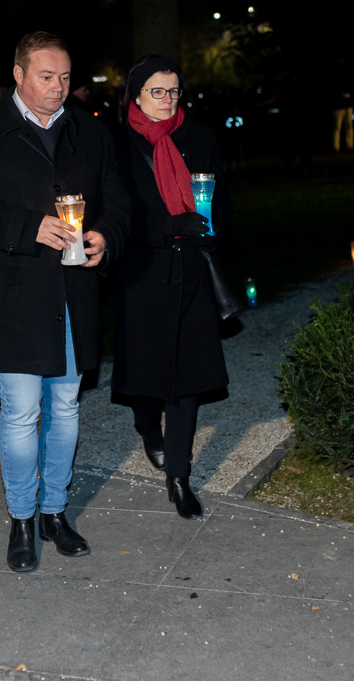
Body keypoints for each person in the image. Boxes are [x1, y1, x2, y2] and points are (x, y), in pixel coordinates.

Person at [0, 31, 130, 573]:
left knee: (65, 407)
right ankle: (22, 518)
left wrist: (107, 236)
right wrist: (28, 228)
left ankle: (54, 512)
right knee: (22, 411)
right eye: (47, 77)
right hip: (14, 295)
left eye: (65, 77)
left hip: (74, 291)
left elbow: (119, 198)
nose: (58, 88)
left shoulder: (90, 132)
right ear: (19, 75)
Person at [112, 56, 230, 520]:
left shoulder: (199, 137)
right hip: (142, 270)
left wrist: (212, 227)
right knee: (146, 373)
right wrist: (168, 225)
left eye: (174, 91)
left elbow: (222, 195)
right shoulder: (117, 145)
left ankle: (179, 476)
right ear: (136, 95)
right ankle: (147, 426)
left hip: (191, 267)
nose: (167, 100)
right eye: (157, 92)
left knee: (186, 375)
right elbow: (117, 216)